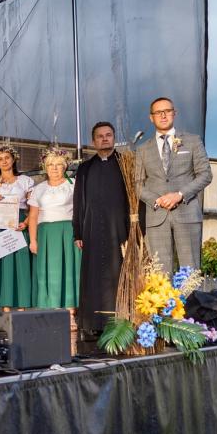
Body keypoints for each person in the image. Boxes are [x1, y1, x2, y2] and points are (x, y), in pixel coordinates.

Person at [136, 96, 213, 272]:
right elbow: (137, 184)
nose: (163, 115)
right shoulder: (142, 149)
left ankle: (189, 293)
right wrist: (157, 200)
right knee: (160, 273)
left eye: (167, 111)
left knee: (190, 272)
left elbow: (205, 174)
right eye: (158, 112)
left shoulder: (193, 141)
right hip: (156, 216)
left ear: (174, 113)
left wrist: (179, 195)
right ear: (151, 117)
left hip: (187, 214)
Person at [73, 122, 129, 338]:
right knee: (93, 274)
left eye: (108, 135)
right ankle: (93, 322)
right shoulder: (85, 168)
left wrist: (134, 230)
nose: (105, 139)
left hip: (119, 228)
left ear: (114, 138)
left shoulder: (126, 163)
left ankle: (121, 321)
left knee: (118, 272)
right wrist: (78, 232)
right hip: (92, 228)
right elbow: (79, 201)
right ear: (93, 141)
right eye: (100, 136)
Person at [28, 148, 82, 325]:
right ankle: (53, 312)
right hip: (46, 235)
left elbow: (81, 211)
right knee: (50, 272)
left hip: (68, 232)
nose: (54, 168)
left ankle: (71, 312)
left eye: (58, 164)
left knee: (69, 270)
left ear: (65, 166)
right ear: (45, 167)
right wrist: (33, 240)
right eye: (50, 164)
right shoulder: (39, 189)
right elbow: (33, 216)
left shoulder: (74, 184)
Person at [0, 145, 34, 311]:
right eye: (0, 159)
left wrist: (26, 223)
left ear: (13, 159)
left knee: (21, 264)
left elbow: (33, 208)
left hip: (19, 225)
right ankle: (5, 308)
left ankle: (22, 306)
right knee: (1, 265)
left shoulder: (25, 181)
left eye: (7, 158)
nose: (4, 161)